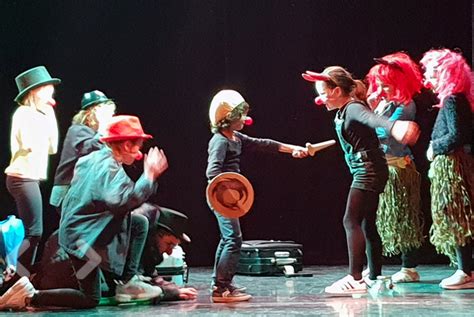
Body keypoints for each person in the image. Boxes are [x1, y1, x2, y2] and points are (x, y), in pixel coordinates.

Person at [0, 115, 168, 310]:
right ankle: (30, 296)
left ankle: (128, 281)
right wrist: (149, 176)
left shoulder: (96, 158)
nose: (140, 152)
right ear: (126, 145)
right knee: (90, 297)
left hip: (81, 232)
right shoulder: (108, 169)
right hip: (81, 242)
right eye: (138, 145)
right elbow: (122, 201)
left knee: (139, 223)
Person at [302, 66, 420, 294]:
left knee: (350, 220)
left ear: (336, 91)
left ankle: (354, 279)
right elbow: (357, 135)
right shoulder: (344, 111)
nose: (321, 99)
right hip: (367, 169)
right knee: (366, 222)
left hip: (369, 171)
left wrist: (393, 126)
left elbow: (372, 119)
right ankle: (373, 273)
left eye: (323, 92)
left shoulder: (354, 107)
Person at [206, 89, 308, 303]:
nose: (244, 119)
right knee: (233, 239)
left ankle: (220, 283)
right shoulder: (220, 141)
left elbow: (265, 144)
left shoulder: (236, 137)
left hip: (230, 198)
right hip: (221, 198)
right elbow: (212, 173)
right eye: (239, 115)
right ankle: (221, 288)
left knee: (228, 239)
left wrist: (293, 149)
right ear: (228, 119)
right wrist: (230, 191)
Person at [365, 52, 425, 283]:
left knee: (404, 217)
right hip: (383, 168)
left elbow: (386, 133)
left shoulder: (406, 105)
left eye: (387, 84)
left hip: (398, 169)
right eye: (380, 83)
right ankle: (376, 269)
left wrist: (369, 121)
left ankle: (409, 268)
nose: (382, 87)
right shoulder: (383, 103)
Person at [420, 49, 474, 290]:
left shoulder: (453, 99)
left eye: (431, 73)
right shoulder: (454, 99)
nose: (427, 79)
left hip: (452, 165)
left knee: (456, 216)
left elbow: (458, 135)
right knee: (456, 216)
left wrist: (435, 147)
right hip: (451, 163)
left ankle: (465, 271)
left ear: (445, 73)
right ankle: (464, 270)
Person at [5, 66, 60, 277]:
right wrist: (42, 118)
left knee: (34, 232)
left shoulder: (42, 114)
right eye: (46, 88)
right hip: (21, 178)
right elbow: (29, 144)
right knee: (34, 232)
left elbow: (52, 147)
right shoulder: (23, 114)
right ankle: (12, 271)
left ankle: (21, 275)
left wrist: (50, 115)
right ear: (34, 91)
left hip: (31, 178)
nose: (51, 93)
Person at [50, 90, 116, 213]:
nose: (111, 117)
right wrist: (103, 127)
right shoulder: (76, 131)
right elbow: (92, 149)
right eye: (108, 113)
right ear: (94, 112)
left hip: (83, 192)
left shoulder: (94, 134)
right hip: (67, 193)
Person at [131, 204, 198, 301]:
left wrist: (174, 289)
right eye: (169, 244)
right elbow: (133, 287)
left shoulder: (149, 253)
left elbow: (151, 276)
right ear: (155, 235)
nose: (169, 252)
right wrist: (167, 292)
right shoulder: (134, 248)